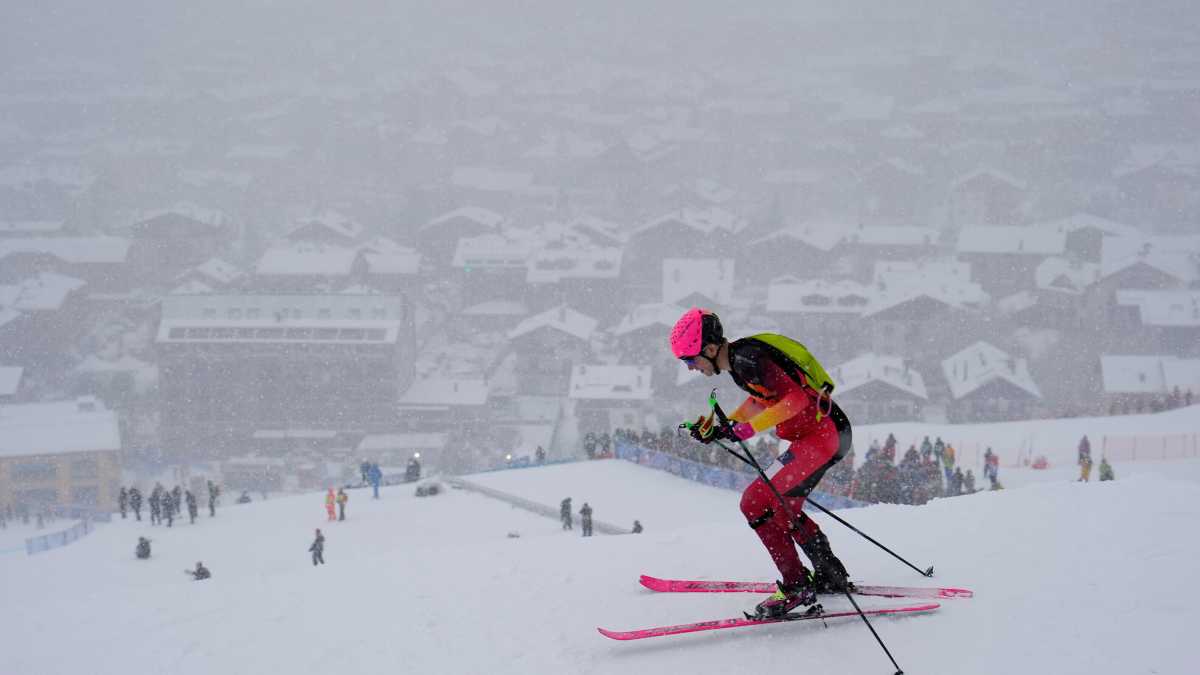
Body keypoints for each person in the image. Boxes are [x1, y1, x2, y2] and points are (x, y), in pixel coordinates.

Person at [671, 307, 852, 618]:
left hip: (821, 437)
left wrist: (745, 429)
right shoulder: (741, 361)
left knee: (754, 502)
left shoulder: (748, 359)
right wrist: (724, 425)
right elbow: (761, 399)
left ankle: (796, 586)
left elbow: (795, 400)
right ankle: (829, 573)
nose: (690, 368)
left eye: (690, 359)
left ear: (711, 349)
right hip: (824, 433)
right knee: (783, 507)